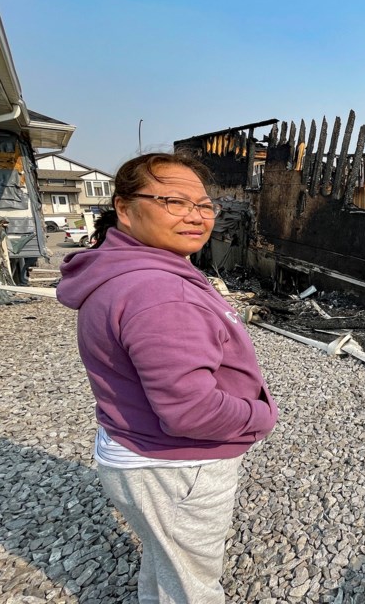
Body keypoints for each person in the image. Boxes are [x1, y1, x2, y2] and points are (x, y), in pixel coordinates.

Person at [57, 152, 278, 603]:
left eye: (203, 204)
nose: (195, 216)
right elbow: (190, 411)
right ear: (124, 208)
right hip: (175, 466)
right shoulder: (161, 291)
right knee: (192, 587)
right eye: (174, 202)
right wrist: (260, 416)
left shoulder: (122, 268)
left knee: (169, 561)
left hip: (134, 447)